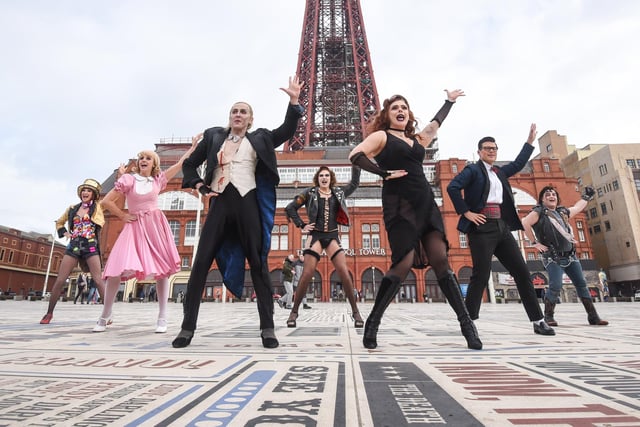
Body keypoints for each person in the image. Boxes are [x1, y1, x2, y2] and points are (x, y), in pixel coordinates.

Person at [172, 76, 305, 349]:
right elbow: (190, 165)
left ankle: (267, 328)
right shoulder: (213, 137)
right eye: (234, 110)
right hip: (220, 203)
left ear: (250, 119)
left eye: (243, 111)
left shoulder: (261, 138)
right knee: (199, 265)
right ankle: (187, 328)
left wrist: (293, 101)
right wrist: (199, 184)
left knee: (258, 264)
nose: (238, 114)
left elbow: (287, 131)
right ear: (229, 117)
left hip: (248, 202)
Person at [348, 90, 482, 350]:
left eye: (404, 108)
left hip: (425, 203)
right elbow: (355, 155)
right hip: (399, 205)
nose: (400, 111)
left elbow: (435, 123)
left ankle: (467, 325)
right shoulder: (381, 136)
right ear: (387, 114)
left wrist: (449, 102)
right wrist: (383, 173)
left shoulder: (417, 139)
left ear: (408, 115)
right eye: (395, 107)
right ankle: (373, 322)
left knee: (441, 259)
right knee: (404, 261)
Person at [447, 125, 555, 336]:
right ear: (479, 151)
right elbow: (452, 187)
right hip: (481, 227)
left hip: (502, 226)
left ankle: (538, 320)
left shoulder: (499, 171)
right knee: (481, 274)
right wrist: (466, 213)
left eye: (494, 148)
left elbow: (518, 164)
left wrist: (529, 143)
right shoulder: (472, 170)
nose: (491, 151)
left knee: (522, 272)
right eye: (487, 148)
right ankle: (468, 321)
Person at [93, 135, 199, 333]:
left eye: (148, 158)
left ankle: (162, 317)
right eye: (141, 157)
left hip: (155, 226)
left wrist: (193, 147)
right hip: (133, 226)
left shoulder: (158, 180)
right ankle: (105, 315)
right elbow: (106, 201)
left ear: (154, 163)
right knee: (116, 269)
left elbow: (181, 163)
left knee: (162, 270)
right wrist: (122, 216)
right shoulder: (128, 179)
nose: (143, 160)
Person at [285, 166, 363, 328]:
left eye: (327, 175)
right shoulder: (309, 193)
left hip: (332, 236)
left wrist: (356, 164)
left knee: (344, 272)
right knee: (306, 274)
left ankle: (356, 312)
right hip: (315, 236)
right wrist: (301, 225)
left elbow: (354, 184)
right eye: (321, 175)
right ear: (317, 178)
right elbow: (290, 208)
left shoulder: (339, 193)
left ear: (331, 178)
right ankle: (294, 312)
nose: (324, 178)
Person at [521, 185, 608, 326]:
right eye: (547, 194)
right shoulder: (539, 212)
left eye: (554, 194)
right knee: (555, 285)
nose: (551, 196)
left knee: (582, 284)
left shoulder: (562, 212)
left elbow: (577, 207)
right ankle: (548, 316)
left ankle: (593, 316)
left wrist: (586, 197)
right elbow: (525, 222)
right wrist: (534, 242)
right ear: (542, 199)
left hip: (571, 256)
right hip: (552, 257)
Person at [40, 179, 107, 324]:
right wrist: (66, 234)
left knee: (98, 279)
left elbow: (111, 200)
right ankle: (49, 313)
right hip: (74, 245)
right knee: (60, 279)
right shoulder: (72, 208)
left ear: (94, 194)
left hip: (90, 245)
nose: (85, 192)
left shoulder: (97, 208)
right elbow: (59, 222)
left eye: (89, 190)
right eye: (84, 190)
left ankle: (107, 315)